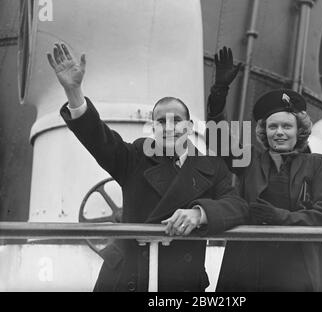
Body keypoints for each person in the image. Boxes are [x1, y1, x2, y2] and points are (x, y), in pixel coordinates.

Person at [47, 43, 249, 292]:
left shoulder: (212, 167)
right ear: (153, 128)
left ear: (188, 127)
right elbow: (98, 138)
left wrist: (200, 214)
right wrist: (74, 92)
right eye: (161, 121)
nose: (169, 127)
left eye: (177, 120)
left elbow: (238, 205)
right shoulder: (133, 158)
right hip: (128, 278)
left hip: (181, 283)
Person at [208, 47, 322, 292]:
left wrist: (278, 217)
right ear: (264, 131)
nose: (279, 132)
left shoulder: (317, 164)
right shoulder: (249, 160)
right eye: (272, 127)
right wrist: (219, 91)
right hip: (251, 268)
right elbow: (218, 140)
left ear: (299, 130)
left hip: (299, 267)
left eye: (286, 126)